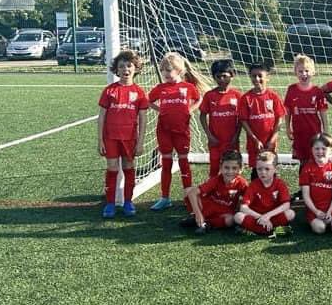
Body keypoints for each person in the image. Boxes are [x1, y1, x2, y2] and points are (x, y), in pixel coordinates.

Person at [148, 52, 211, 211]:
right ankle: (165, 198)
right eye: (163, 70)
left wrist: (190, 110)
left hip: (182, 131)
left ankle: (188, 196)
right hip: (164, 131)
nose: (165, 74)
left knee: (184, 163)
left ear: (179, 70)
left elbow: (199, 99)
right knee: (166, 163)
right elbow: (148, 101)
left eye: (169, 70)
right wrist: (159, 109)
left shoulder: (187, 87)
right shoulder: (160, 88)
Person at [97, 50, 148, 218]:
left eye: (129, 66)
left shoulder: (139, 93)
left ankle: (128, 201)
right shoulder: (109, 91)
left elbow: (143, 119)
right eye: (121, 66)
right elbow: (102, 116)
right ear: (116, 70)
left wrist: (140, 142)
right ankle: (110, 203)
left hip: (130, 138)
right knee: (112, 168)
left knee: (128, 167)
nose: (125, 69)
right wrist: (100, 141)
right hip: (110, 138)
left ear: (135, 68)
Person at [284, 54, 328, 200]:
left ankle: (315, 189)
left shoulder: (317, 91)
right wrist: (287, 128)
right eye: (301, 71)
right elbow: (288, 111)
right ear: (295, 72)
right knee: (303, 162)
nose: (304, 74)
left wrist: (326, 131)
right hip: (299, 134)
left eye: (307, 71)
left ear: (313, 72)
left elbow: (322, 112)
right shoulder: (291, 90)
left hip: (314, 134)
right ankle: (303, 190)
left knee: (315, 161)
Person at [182, 150, 248, 234]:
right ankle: (197, 217)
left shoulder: (242, 183)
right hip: (208, 207)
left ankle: (207, 224)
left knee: (231, 220)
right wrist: (198, 213)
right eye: (226, 167)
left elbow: (249, 200)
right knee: (187, 191)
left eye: (234, 168)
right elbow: (192, 193)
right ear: (221, 167)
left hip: (225, 212)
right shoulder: (216, 180)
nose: (230, 172)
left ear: (240, 169)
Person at [238, 63, 286, 178]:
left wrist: (273, 139)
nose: (257, 79)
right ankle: (255, 194)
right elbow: (243, 121)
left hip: (270, 143)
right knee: (256, 170)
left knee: (271, 169)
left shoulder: (273, 96)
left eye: (260, 76)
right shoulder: (246, 98)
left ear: (267, 77)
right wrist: (255, 139)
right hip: (254, 144)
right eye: (253, 76)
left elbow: (280, 118)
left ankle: (273, 195)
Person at [234, 150, 295, 238]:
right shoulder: (253, 185)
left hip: (272, 217)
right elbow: (243, 208)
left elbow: (286, 205)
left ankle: (255, 231)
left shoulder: (280, 184)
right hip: (257, 218)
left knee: (290, 213)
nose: (263, 172)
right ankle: (273, 231)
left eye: (267, 169)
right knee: (238, 216)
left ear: (275, 169)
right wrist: (261, 217)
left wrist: (267, 216)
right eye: (259, 169)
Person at [199, 59, 243, 177]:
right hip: (215, 141)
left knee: (233, 167)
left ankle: (235, 191)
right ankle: (213, 192)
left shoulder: (237, 95)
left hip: (231, 141)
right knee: (214, 168)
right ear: (214, 77)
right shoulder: (209, 95)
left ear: (232, 75)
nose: (221, 79)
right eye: (218, 77)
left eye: (224, 76)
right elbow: (202, 116)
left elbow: (241, 119)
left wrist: (236, 136)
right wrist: (209, 136)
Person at [299, 133, 332, 235]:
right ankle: (311, 218)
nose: (320, 152)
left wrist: (330, 211)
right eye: (317, 149)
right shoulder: (307, 169)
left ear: (331, 150)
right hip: (314, 210)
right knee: (320, 229)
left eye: (324, 149)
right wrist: (316, 212)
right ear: (312, 150)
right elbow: (305, 195)